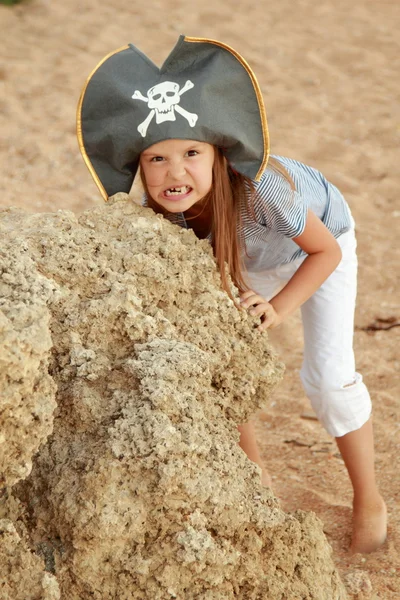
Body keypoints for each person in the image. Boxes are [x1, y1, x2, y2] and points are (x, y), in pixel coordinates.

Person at [76, 36, 387, 554]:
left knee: (328, 378)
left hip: (316, 242)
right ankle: (256, 474)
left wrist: (278, 306)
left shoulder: (260, 186)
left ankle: (369, 497)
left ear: (220, 152)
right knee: (221, 355)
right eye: (157, 159)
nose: (175, 173)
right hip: (240, 255)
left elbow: (324, 253)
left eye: (192, 153)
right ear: (140, 165)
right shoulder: (161, 215)